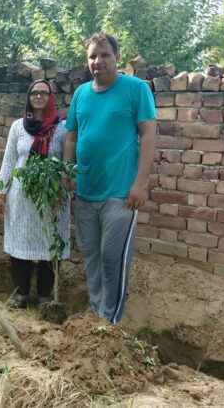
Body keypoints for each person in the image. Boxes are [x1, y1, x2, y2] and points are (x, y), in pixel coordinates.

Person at [63, 33, 156, 324]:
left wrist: (140, 183)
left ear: (116, 57)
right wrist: (69, 171)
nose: (98, 61)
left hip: (120, 194)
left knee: (111, 257)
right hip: (86, 192)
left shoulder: (135, 89)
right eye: (92, 56)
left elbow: (149, 134)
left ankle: (110, 320)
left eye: (104, 55)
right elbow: (71, 136)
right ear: (86, 61)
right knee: (90, 255)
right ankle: (94, 312)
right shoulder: (81, 94)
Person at [0, 79, 71, 309]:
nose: (38, 97)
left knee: (49, 244)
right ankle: (21, 294)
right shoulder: (18, 126)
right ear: (28, 97)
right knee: (19, 244)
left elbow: (68, 163)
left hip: (51, 197)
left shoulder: (63, 127)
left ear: (51, 97)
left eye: (43, 93)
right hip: (21, 197)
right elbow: (9, 162)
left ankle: (45, 297)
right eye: (34, 93)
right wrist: (0, 194)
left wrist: (64, 189)